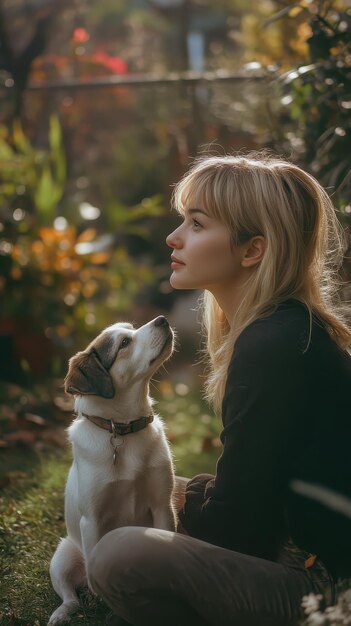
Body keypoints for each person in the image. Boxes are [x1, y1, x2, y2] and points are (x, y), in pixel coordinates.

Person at [88, 153, 351, 626]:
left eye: (196, 223)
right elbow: (258, 493)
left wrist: (190, 506)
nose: (174, 237)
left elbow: (241, 532)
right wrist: (192, 498)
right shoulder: (284, 328)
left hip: (331, 590)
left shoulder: (273, 344)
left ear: (252, 251)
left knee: (120, 554)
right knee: (146, 495)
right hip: (299, 542)